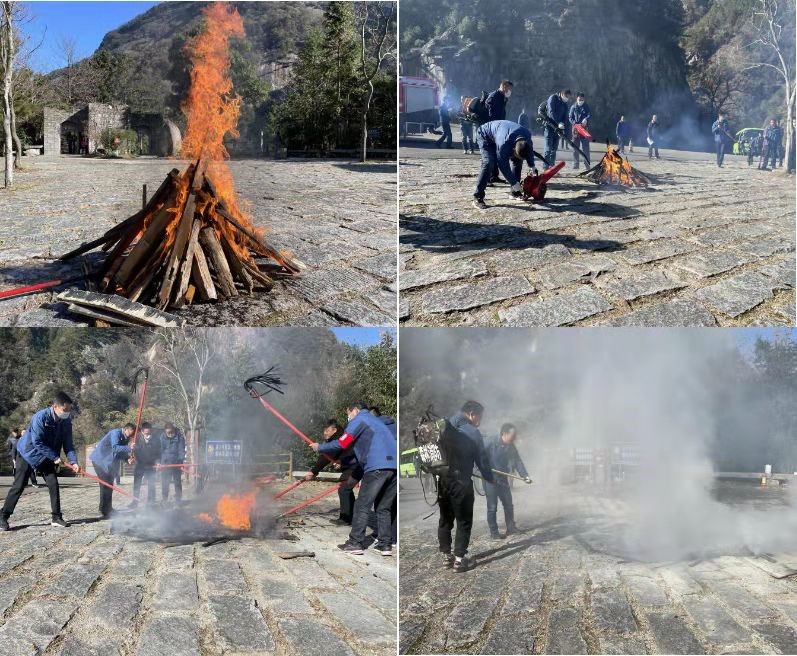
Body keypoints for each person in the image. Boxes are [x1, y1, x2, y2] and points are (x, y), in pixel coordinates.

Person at [312, 402, 397, 556]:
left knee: (362, 505)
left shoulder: (360, 420)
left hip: (376, 467)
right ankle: (385, 545)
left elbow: (343, 443)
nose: (348, 417)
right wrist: (344, 462)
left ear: (355, 410)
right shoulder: (377, 422)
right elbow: (363, 451)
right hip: (393, 468)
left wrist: (320, 447)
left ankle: (355, 542)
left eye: (348, 413)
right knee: (383, 508)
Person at [0, 392, 80, 530]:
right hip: (28, 453)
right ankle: (3, 516)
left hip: (47, 456)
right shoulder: (40, 417)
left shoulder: (66, 422)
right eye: (65, 410)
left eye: (69, 410)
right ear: (55, 406)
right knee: (19, 485)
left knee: (53, 484)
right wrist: (55, 457)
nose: (67, 413)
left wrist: (73, 461)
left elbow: (68, 444)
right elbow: (37, 442)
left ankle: (56, 517)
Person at [438, 401, 494, 572]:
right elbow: (482, 460)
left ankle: (447, 557)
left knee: (445, 520)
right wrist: (489, 478)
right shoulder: (473, 432)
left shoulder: (444, 424)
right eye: (480, 417)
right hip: (461, 483)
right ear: (472, 414)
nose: (480, 421)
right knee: (463, 522)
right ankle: (459, 560)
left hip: (443, 481)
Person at [472, 120, 535, 210]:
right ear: (513, 148)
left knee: (517, 161)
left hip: (500, 133)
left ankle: (515, 193)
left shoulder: (527, 135)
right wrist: (513, 182)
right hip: (485, 136)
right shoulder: (504, 144)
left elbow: (530, 151)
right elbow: (503, 165)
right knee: (488, 162)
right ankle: (478, 196)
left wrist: (532, 165)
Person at [304, 419, 357, 525]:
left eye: (327, 430)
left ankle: (346, 519)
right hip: (351, 465)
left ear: (334, 430)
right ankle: (352, 516)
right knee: (346, 489)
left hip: (355, 465)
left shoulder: (339, 439)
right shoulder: (339, 437)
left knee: (344, 489)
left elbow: (326, 457)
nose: (325, 433)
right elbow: (328, 456)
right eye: (324, 430)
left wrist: (314, 472)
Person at [484, 423, 532, 539]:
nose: (515, 438)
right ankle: (494, 533)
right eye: (513, 435)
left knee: (508, 504)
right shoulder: (490, 442)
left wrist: (525, 475)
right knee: (492, 507)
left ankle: (511, 528)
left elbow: (517, 461)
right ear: (504, 434)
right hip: (490, 478)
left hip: (502, 478)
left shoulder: (510, 446)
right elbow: (477, 456)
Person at [90, 423, 135, 518]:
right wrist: (129, 447)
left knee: (110, 484)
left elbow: (119, 453)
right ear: (126, 429)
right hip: (100, 460)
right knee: (105, 484)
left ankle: (108, 508)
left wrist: (127, 459)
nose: (133, 435)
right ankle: (104, 510)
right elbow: (115, 448)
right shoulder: (116, 433)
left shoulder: (126, 438)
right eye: (132, 432)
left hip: (109, 463)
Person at [485, 80, 513, 181]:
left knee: (496, 153)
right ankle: (487, 178)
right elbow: (491, 114)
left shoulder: (501, 97)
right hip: (491, 129)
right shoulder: (494, 96)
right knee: (490, 154)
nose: (510, 91)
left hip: (498, 128)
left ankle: (494, 176)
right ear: (504, 86)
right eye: (509, 88)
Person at [131, 422, 161, 507]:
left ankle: (151, 502)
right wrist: (132, 447)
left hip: (150, 464)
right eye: (146, 432)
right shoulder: (136, 438)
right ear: (142, 431)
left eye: (149, 432)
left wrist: (158, 462)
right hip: (139, 464)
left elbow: (158, 452)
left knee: (151, 483)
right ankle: (135, 502)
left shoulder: (156, 439)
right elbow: (134, 450)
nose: (147, 434)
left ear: (151, 430)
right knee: (137, 484)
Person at [543, 89, 572, 169]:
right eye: (566, 96)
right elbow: (551, 112)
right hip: (550, 126)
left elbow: (565, 116)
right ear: (562, 94)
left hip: (558, 128)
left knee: (554, 149)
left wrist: (563, 124)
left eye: (568, 97)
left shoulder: (565, 104)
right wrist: (558, 122)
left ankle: (551, 166)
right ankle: (545, 166)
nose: (567, 99)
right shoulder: (553, 98)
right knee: (548, 147)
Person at [160, 422, 185, 503]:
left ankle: (178, 500)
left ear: (174, 430)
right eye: (168, 433)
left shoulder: (179, 437)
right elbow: (159, 451)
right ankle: (164, 500)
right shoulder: (162, 438)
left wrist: (181, 463)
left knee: (177, 482)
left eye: (171, 432)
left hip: (176, 463)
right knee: (165, 483)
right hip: (165, 464)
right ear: (165, 431)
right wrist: (159, 462)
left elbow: (181, 450)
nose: (170, 434)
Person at [568, 92, 592, 169]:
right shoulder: (573, 107)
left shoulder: (586, 106)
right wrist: (574, 123)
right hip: (575, 129)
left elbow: (589, 115)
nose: (580, 100)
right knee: (575, 147)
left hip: (584, 129)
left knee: (586, 148)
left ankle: (587, 164)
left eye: (582, 99)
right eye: (579, 99)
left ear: (584, 99)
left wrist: (586, 119)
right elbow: (570, 117)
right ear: (577, 99)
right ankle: (576, 164)